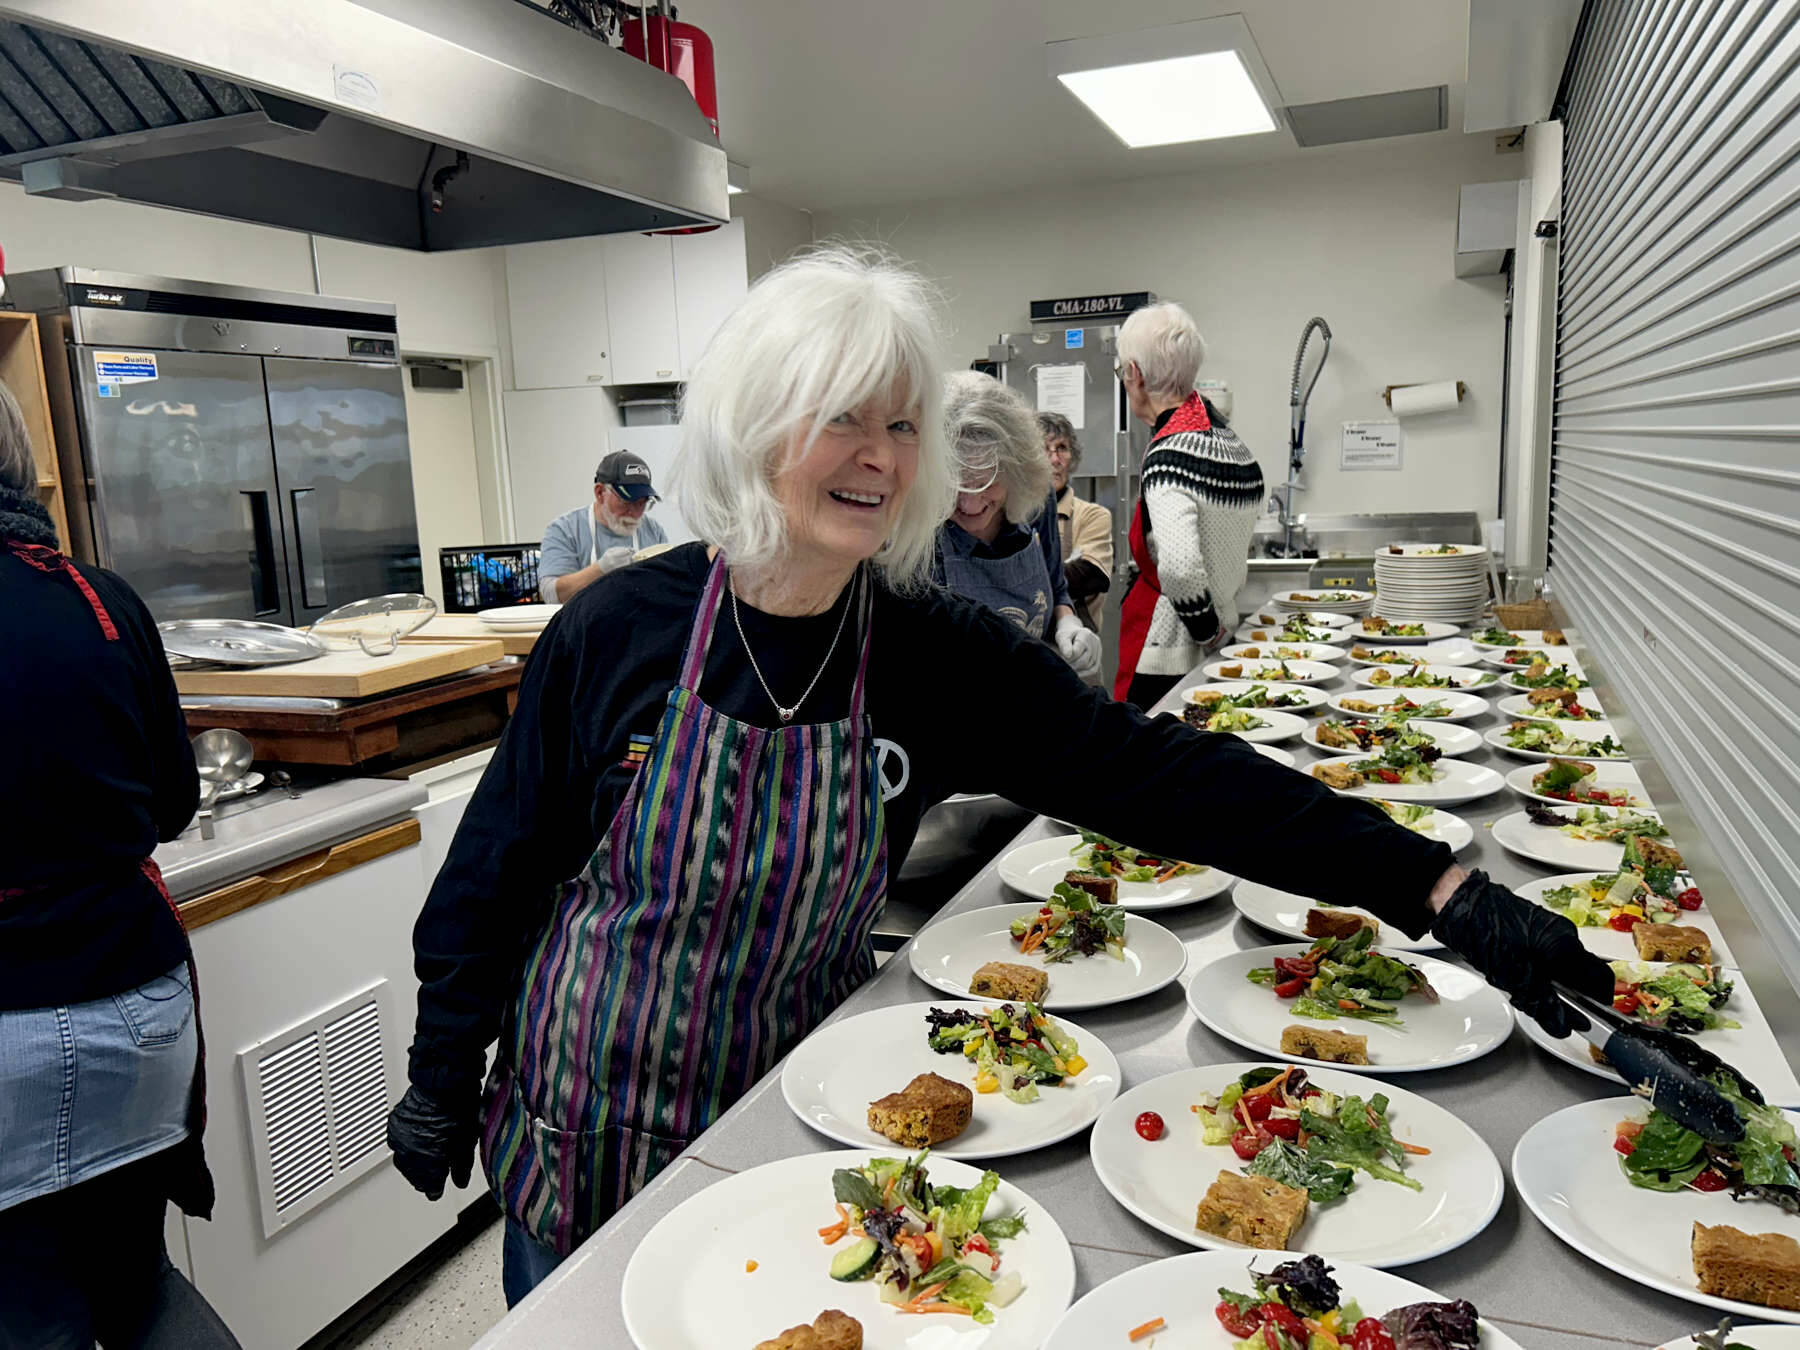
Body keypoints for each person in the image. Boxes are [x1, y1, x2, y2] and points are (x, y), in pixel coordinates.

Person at [385, 247, 1612, 1306]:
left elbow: (1167, 778)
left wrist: (1439, 890)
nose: (880, 456)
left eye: (902, 424)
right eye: (843, 419)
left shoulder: (928, 649)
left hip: (795, 1114)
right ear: (758, 426)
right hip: (581, 1115)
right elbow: (499, 866)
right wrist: (444, 1067)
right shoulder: (617, 632)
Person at [0, 381, 240, 1350]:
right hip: (140, 1014)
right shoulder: (102, 599)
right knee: (137, 1285)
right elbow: (173, 802)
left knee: (30, 1312)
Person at [1111, 302, 1263, 709]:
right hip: (1220, 636)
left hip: (1168, 653)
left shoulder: (1169, 456)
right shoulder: (1233, 445)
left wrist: (1206, 630)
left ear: (1134, 375)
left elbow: (1178, 567)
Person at [933, 372, 1101, 680]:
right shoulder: (921, 529)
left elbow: (1056, 587)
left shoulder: (1037, 499)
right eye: (955, 488)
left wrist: (1068, 623)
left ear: (1016, 472)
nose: (970, 505)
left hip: (1037, 694)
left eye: (986, 484)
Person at [536, 450, 669, 603]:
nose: (634, 512)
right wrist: (600, 569)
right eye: (626, 501)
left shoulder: (653, 531)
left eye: (642, 503)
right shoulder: (566, 529)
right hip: (586, 625)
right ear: (600, 493)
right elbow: (551, 595)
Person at [1039, 410, 1113, 632]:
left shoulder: (1093, 515)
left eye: (1062, 448)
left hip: (1076, 646)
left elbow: (1091, 575)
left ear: (1072, 457)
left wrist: (1025, 576)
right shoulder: (1015, 515)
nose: (1055, 460)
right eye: (1045, 449)